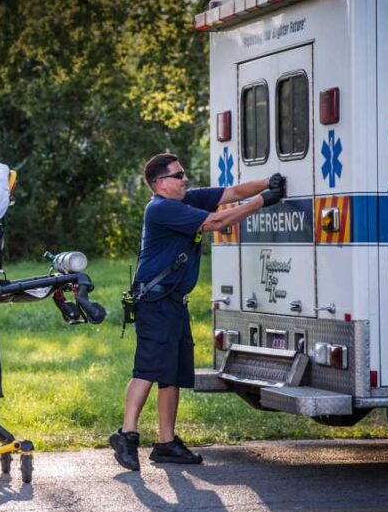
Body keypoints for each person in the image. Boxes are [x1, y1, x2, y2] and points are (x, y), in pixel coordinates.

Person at [109, 153, 285, 469]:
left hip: (174, 303)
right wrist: (262, 201)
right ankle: (126, 434)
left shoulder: (186, 199)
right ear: (161, 183)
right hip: (155, 303)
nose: (185, 178)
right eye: (179, 175)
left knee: (172, 374)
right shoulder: (161, 209)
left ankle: (166, 443)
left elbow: (231, 193)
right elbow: (216, 222)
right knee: (147, 369)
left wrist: (269, 183)